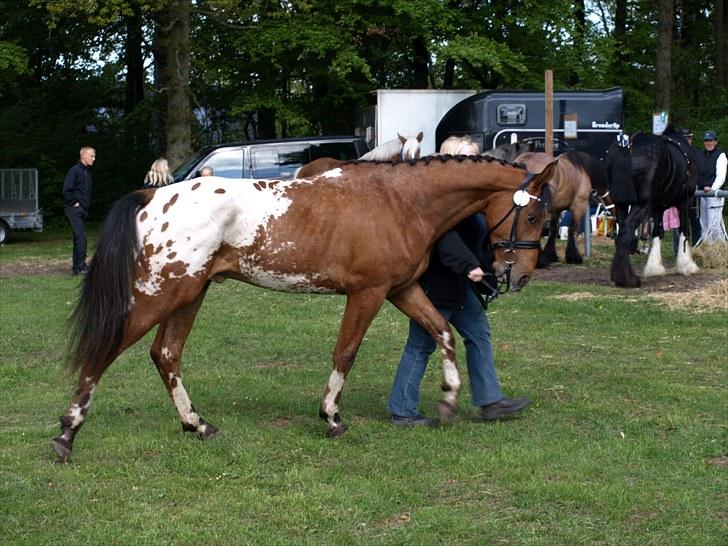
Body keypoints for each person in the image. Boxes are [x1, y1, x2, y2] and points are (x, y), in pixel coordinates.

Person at [388, 138, 530, 427]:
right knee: (421, 345)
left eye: (477, 157)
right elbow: (443, 239)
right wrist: (469, 266)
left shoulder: (473, 200)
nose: (475, 163)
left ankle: (490, 401)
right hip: (438, 285)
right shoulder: (440, 199)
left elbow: (479, 237)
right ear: (450, 159)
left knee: (479, 335)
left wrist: (491, 264)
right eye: (468, 158)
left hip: (462, 288)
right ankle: (402, 409)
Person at [62, 146, 95, 276]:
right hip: (73, 209)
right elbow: (66, 190)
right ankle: (81, 266)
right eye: (91, 155)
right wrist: (74, 203)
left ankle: (76, 267)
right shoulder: (74, 171)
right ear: (84, 156)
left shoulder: (86, 173)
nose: (94, 158)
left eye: (94, 155)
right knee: (81, 237)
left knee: (78, 238)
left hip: (82, 210)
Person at [696, 130, 727, 243]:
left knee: (714, 225)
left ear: (716, 142)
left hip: (714, 194)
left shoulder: (720, 155)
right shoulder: (701, 155)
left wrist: (713, 188)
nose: (708, 143)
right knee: (703, 224)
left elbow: (721, 175)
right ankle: (707, 249)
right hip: (702, 194)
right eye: (706, 140)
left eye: (711, 140)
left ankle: (720, 250)